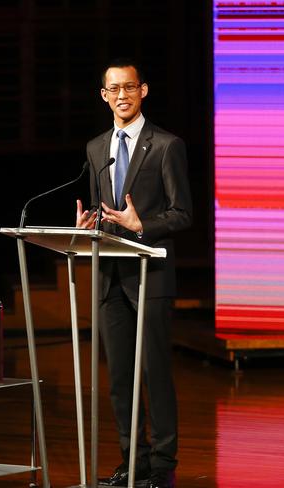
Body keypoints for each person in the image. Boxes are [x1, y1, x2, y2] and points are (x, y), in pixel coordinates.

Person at [76, 58, 192, 488]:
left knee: (155, 373)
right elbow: (102, 212)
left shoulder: (166, 145)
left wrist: (141, 224)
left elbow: (182, 213)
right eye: (113, 89)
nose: (121, 96)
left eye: (129, 87)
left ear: (143, 90)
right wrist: (90, 225)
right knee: (120, 377)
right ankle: (133, 462)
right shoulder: (95, 148)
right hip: (109, 278)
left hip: (151, 276)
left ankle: (162, 465)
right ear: (103, 95)